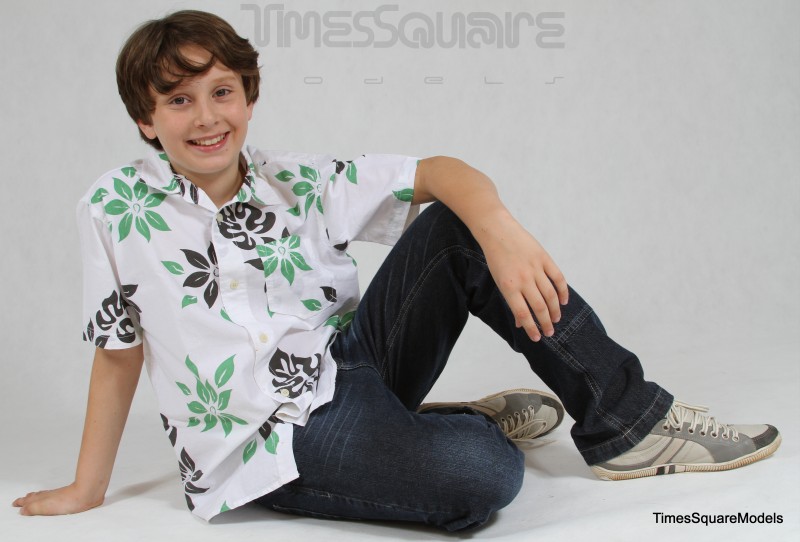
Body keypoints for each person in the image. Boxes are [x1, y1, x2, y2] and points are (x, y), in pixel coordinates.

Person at [12, 10, 780, 531]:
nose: (207, 117)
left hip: (349, 367)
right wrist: (87, 488)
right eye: (179, 101)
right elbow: (118, 351)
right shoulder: (113, 208)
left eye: (222, 92)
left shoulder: (295, 179)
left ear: (248, 97)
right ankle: (453, 427)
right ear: (146, 120)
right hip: (272, 443)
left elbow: (440, 171)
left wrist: (500, 230)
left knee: (456, 223)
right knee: (485, 477)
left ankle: (628, 424)